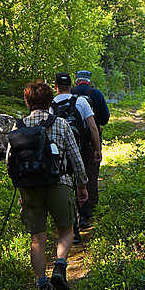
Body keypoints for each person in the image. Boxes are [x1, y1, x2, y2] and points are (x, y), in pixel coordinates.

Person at [13, 81, 88, 290]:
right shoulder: (62, 124)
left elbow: (10, 160)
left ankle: (42, 286)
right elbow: (76, 158)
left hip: (29, 188)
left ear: (27, 102)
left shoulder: (18, 127)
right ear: (50, 102)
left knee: (37, 238)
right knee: (66, 230)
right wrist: (82, 186)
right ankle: (59, 267)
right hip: (60, 183)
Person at [52, 72, 101, 233]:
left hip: (59, 152)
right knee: (82, 178)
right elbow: (93, 127)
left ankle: (72, 226)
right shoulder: (80, 101)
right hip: (81, 148)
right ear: (71, 86)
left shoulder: (51, 104)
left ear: (56, 86)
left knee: (66, 184)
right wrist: (97, 149)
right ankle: (84, 216)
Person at [71, 70, 109, 224]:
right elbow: (105, 118)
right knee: (91, 172)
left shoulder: (69, 94)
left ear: (76, 81)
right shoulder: (97, 94)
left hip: (72, 139)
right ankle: (90, 208)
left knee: (73, 171)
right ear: (88, 81)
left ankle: (75, 207)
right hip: (92, 139)